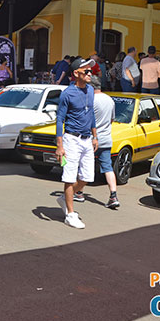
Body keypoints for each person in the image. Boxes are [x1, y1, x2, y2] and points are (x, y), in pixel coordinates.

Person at [55, 57, 97, 229]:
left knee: (87, 177)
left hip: (87, 139)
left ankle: (66, 197)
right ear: (75, 74)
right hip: (71, 139)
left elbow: (91, 113)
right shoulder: (67, 93)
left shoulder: (91, 90)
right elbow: (59, 119)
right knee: (70, 176)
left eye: (90, 71)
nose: (90, 73)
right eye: (86, 71)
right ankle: (70, 214)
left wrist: (95, 136)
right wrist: (60, 146)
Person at [90, 75, 120, 209]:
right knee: (108, 168)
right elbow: (112, 119)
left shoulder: (90, 100)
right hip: (106, 138)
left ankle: (78, 192)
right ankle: (113, 195)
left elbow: (87, 121)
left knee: (83, 165)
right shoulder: (110, 100)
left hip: (92, 139)